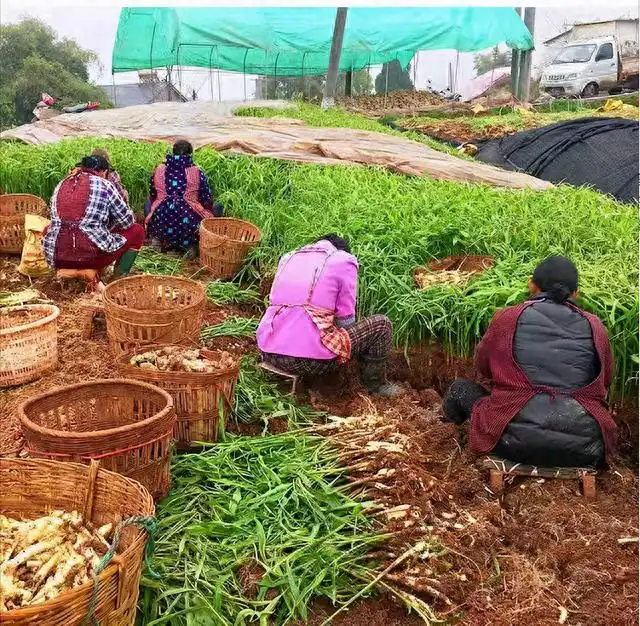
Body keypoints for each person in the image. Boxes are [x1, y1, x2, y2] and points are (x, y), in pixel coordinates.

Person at [442, 256, 617, 469]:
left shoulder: (508, 318)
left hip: (510, 443)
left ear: (531, 284)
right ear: (576, 293)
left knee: (460, 389)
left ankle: (448, 440)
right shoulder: (595, 326)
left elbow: (483, 367)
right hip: (586, 449)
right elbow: (605, 378)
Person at [257, 234, 404, 397]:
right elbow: (346, 322)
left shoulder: (288, 258)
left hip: (268, 353)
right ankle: (376, 386)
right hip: (311, 362)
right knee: (382, 325)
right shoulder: (343, 261)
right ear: (342, 250)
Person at [43, 155, 144, 291]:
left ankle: (68, 271)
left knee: (48, 229)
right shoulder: (105, 184)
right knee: (137, 231)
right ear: (103, 172)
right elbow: (127, 222)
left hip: (58, 257)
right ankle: (116, 280)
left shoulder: (62, 184)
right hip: (91, 256)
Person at [145, 140, 223, 259]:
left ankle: (157, 238)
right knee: (218, 207)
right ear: (190, 155)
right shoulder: (197, 172)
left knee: (149, 204)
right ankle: (191, 246)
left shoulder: (159, 169)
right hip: (187, 223)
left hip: (161, 220)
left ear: (173, 153)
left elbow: (153, 194)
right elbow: (206, 199)